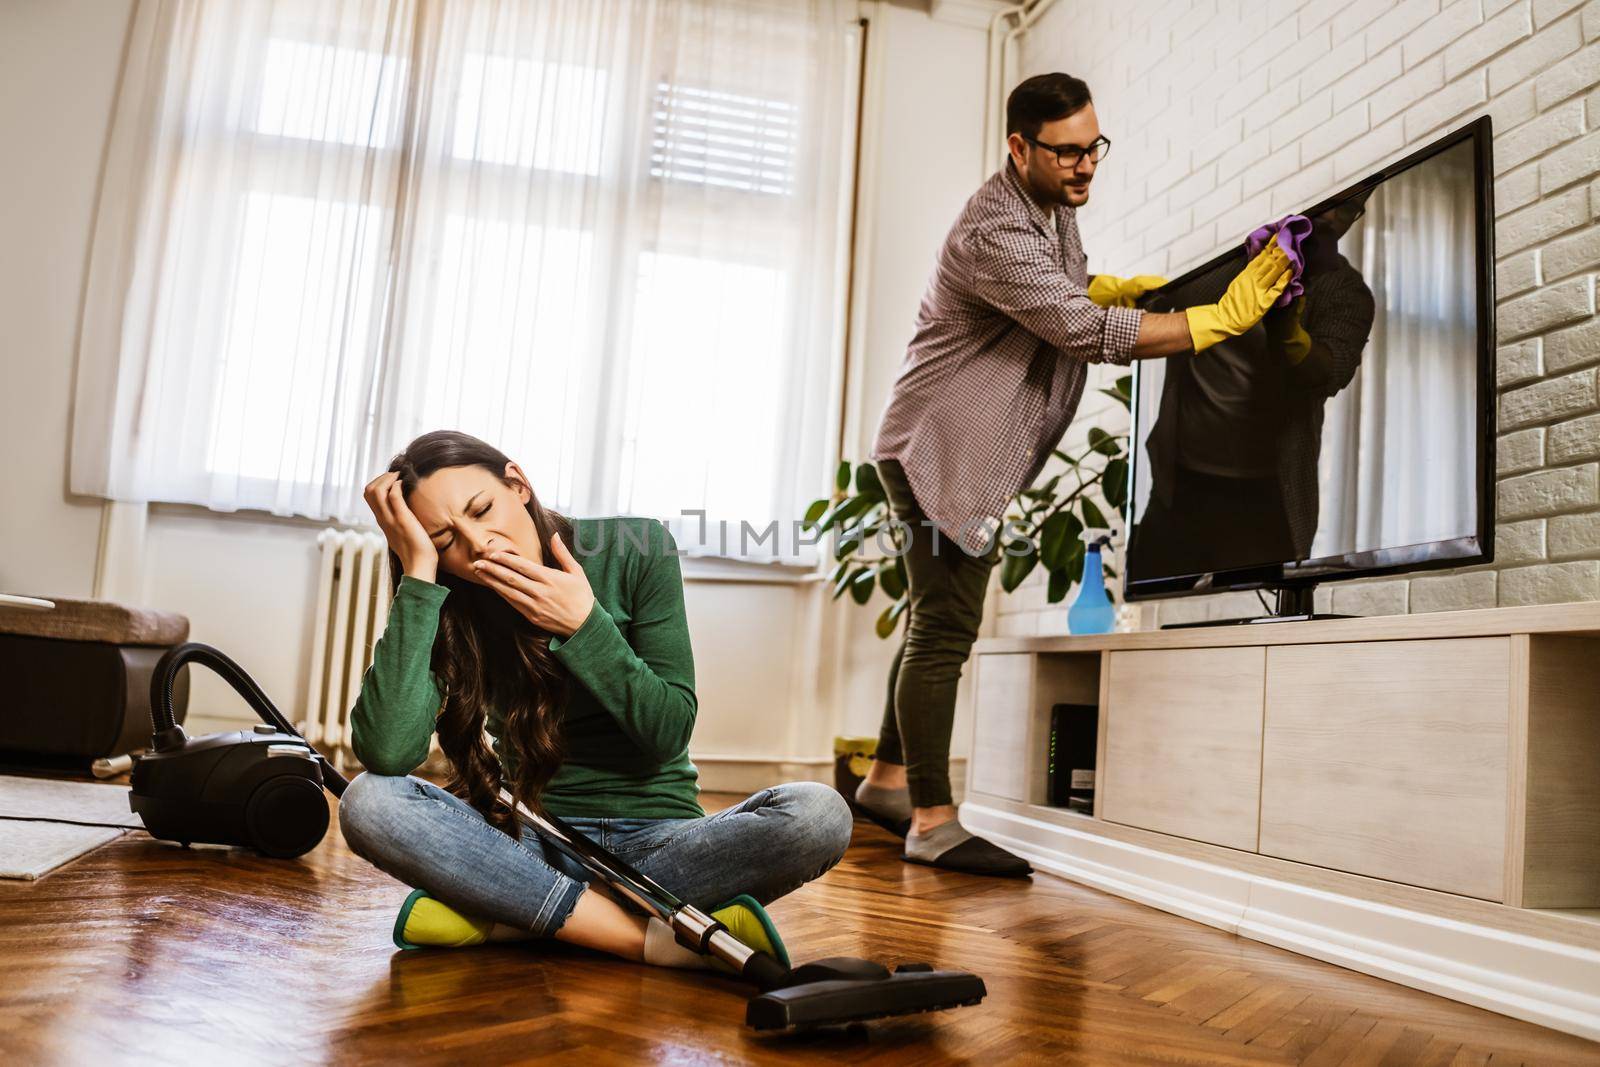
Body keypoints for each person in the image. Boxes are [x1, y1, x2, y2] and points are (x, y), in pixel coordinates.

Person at [854, 72, 1294, 876]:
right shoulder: (995, 229)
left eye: (1094, 146)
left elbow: (1067, 292)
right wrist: (1218, 318)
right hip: (939, 453)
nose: (1086, 165)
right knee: (946, 629)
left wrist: (1118, 285)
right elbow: (1080, 328)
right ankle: (930, 818)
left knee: (932, 617)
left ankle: (886, 784)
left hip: (945, 444)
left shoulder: (1049, 207)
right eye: (1066, 152)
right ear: (1018, 147)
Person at [338, 430, 853, 972]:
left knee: (819, 813)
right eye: (444, 541)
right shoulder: (451, 595)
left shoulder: (637, 547)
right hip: (533, 836)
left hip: (662, 844)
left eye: (483, 509)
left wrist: (584, 625)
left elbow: (668, 731)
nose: (479, 544)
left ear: (518, 485)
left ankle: (514, 912)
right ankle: (642, 937)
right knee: (368, 802)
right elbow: (388, 753)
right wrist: (418, 573)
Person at [1131, 191, 1376, 579]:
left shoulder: (1345, 292)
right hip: (1179, 486)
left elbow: (1330, 373)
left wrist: (1287, 330)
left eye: (1347, 208)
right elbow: (1158, 305)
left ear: (1357, 216)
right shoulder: (1223, 264)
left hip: (1265, 496)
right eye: (1330, 201)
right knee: (1147, 598)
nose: (1331, 215)